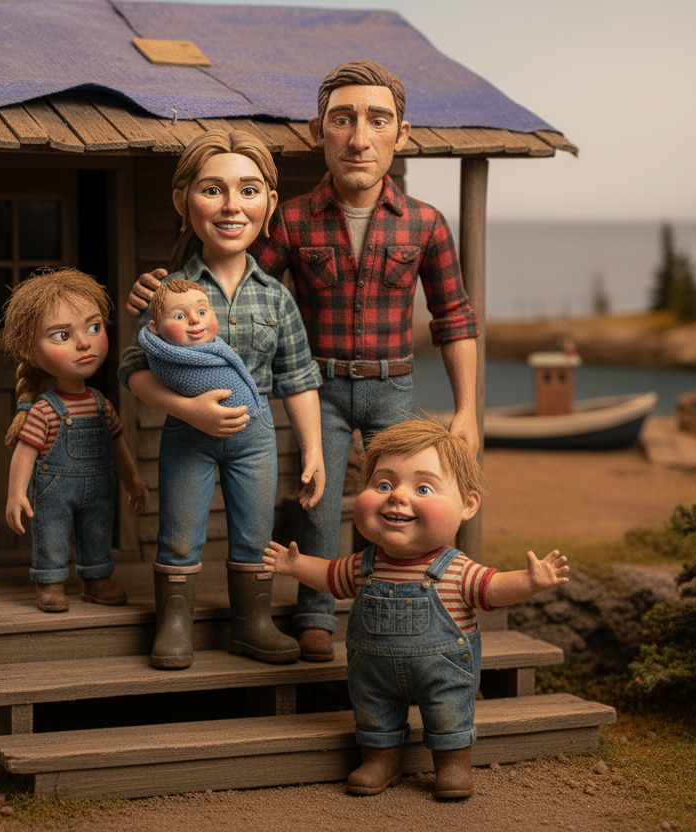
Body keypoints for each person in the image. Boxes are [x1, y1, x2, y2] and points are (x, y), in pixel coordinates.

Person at [127, 60, 481, 663]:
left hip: (392, 385)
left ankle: (417, 601)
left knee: (410, 496)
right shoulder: (291, 217)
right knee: (317, 501)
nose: (359, 137)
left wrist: (469, 409)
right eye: (342, 120)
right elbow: (232, 253)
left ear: (402, 132)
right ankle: (315, 614)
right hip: (320, 385)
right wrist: (160, 294)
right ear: (320, 130)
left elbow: (455, 317)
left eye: (377, 120)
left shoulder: (425, 224)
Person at [264, 419, 568, 800]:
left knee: (450, 715)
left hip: (443, 671)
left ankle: (453, 765)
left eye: (423, 487)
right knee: (374, 714)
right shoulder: (363, 564)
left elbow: (492, 588)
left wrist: (530, 581)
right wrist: (295, 566)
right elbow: (330, 576)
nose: (396, 497)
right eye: (384, 484)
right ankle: (380, 759)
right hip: (374, 672)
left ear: (467, 504)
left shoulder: (456, 569)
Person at [118, 130, 325, 670]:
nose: (232, 206)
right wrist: (189, 409)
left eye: (250, 190)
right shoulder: (170, 294)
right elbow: (134, 370)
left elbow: (298, 377)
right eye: (212, 190)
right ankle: (174, 623)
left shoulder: (276, 295)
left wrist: (314, 451)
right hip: (189, 435)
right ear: (183, 200)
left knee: (255, 531)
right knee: (181, 528)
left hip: (255, 438)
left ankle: (252, 623)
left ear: (270, 203)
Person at [1, 268, 149, 612]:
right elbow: (26, 452)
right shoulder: (44, 409)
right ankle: (50, 582)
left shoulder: (101, 403)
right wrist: (16, 494)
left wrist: (133, 480)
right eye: (62, 335)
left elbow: (118, 444)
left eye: (93, 328)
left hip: (98, 487)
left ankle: (96, 579)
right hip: (54, 490)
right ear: (29, 348)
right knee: (51, 532)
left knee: (97, 530)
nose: (84, 343)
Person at [139, 278, 260, 415]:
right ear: (155, 327)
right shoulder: (165, 359)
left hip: (256, 417)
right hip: (196, 419)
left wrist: (223, 357)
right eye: (179, 316)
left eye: (201, 312)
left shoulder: (217, 346)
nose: (195, 320)